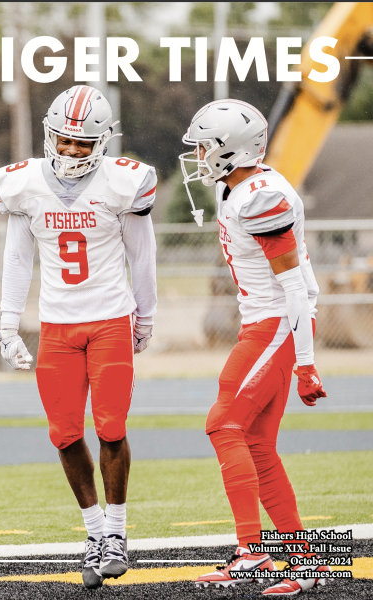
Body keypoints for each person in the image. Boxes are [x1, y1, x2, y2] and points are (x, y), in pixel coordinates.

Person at [0, 85, 157, 589]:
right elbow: (18, 257)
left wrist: (144, 317)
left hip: (109, 318)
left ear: (103, 142)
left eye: (82, 144)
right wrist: (7, 321)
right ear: (49, 134)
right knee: (64, 433)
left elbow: (141, 255)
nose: (70, 150)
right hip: (58, 325)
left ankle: (117, 533)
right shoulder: (22, 185)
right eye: (63, 140)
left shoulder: (124, 182)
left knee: (110, 427)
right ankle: (92, 532)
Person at [179, 99, 329, 596]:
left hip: (274, 324)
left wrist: (305, 363)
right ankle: (305, 560)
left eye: (205, 146)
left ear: (229, 150)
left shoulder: (261, 197)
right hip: (265, 322)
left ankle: (252, 552)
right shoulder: (239, 187)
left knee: (222, 424)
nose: (199, 155)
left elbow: (295, 287)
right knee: (258, 444)